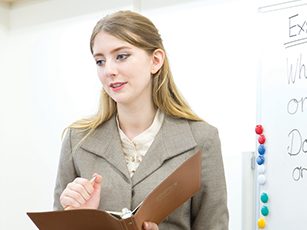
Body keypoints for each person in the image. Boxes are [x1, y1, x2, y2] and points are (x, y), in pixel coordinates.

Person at [53, 10, 229, 230]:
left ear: (155, 61)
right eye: (100, 61)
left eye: (121, 56)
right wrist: (81, 219)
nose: (109, 70)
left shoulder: (202, 139)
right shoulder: (76, 140)